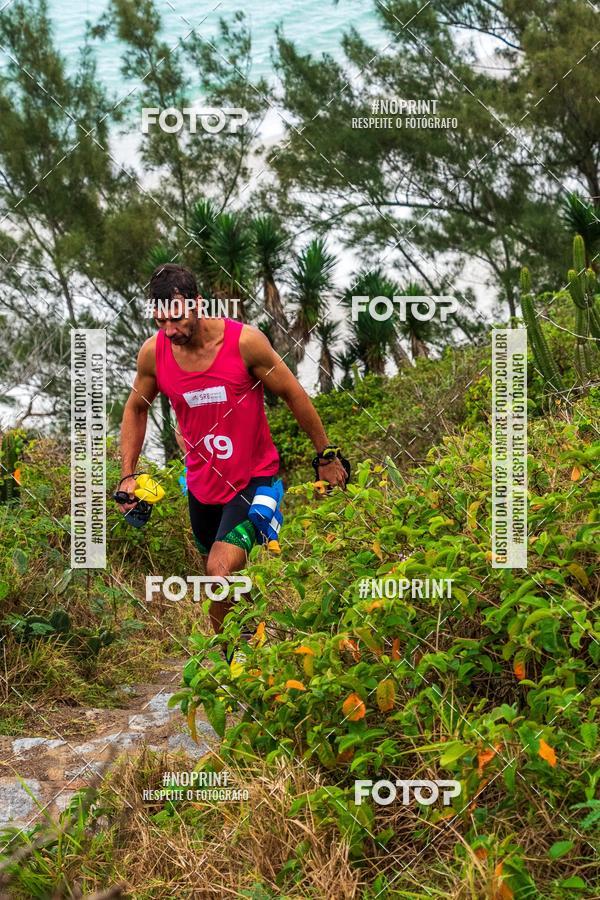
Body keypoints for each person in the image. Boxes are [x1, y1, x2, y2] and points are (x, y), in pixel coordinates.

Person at [117, 264, 348, 652]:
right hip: (202, 487)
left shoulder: (245, 344)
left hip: (254, 480)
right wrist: (128, 475)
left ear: (198, 304)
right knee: (220, 581)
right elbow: (136, 408)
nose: (170, 331)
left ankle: (238, 665)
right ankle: (250, 651)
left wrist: (325, 453)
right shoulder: (154, 354)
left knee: (218, 570)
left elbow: (293, 393)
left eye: (177, 319)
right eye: (161, 322)